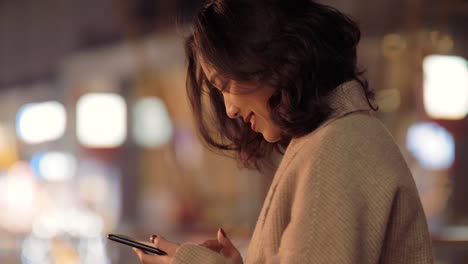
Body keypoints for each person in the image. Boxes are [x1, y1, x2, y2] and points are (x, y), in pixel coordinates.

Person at [133, 0, 434, 263]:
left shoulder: (338, 148)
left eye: (225, 85)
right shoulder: (331, 139)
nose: (229, 110)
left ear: (269, 60)